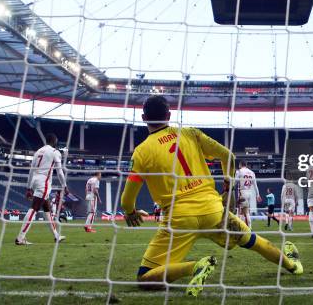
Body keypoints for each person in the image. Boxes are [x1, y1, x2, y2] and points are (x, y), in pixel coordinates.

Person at [120, 95, 303, 297]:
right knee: (254, 241)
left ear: (143, 117)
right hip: (214, 211)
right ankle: (293, 265)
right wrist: (227, 182)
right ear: (169, 115)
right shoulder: (190, 133)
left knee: (144, 277)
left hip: (179, 219)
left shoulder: (142, 151)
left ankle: (195, 267)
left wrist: (130, 212)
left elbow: (127, 199)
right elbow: (229, 156)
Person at [16, 133, 67, 245]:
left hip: (35, 180)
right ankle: (20, 238)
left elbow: (31, 171)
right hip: (43, 182)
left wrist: (28, 188)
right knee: (34, 209)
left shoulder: (38, 152)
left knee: (47, 209)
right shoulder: (55, 152)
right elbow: (59, 171)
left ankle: (56, 236)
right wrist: (64, 185)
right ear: (54, 141)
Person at [235, 161, 261, 228]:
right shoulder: (252, 172)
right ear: (246, 165)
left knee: (241, 212)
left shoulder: (239, 171)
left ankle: (244, 228)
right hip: (249, 192)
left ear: (240, 165)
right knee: (246, 211)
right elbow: (255, 185)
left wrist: (230, 188)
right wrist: (258, 195)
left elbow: (235, 182)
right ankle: (248, 227)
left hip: (242, 192)